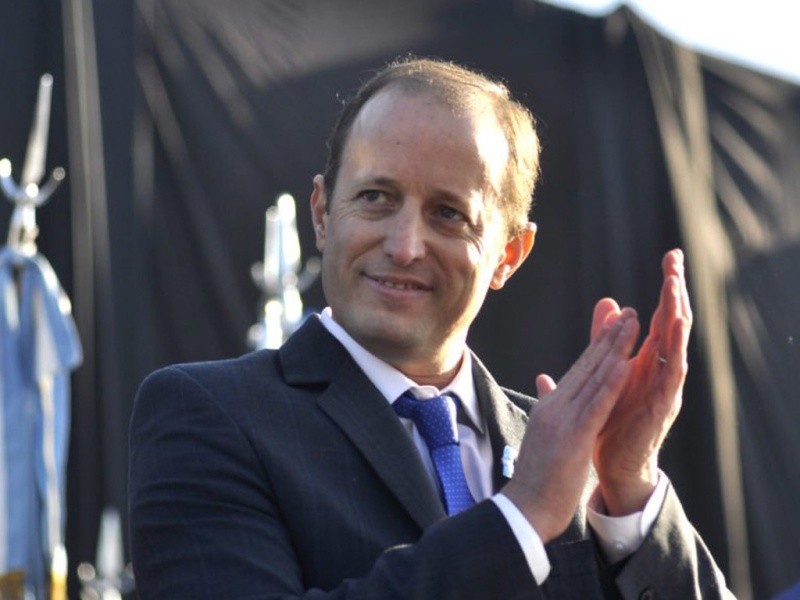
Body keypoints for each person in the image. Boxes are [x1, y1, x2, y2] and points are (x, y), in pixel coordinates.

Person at [129, 57, 734, 599]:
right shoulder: (208, 413)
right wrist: (519, 519)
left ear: (509, 255)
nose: (404, 245)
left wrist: (629, 483)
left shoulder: (573, 460)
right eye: (376, 197)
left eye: (448, 213)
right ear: (322, 213)